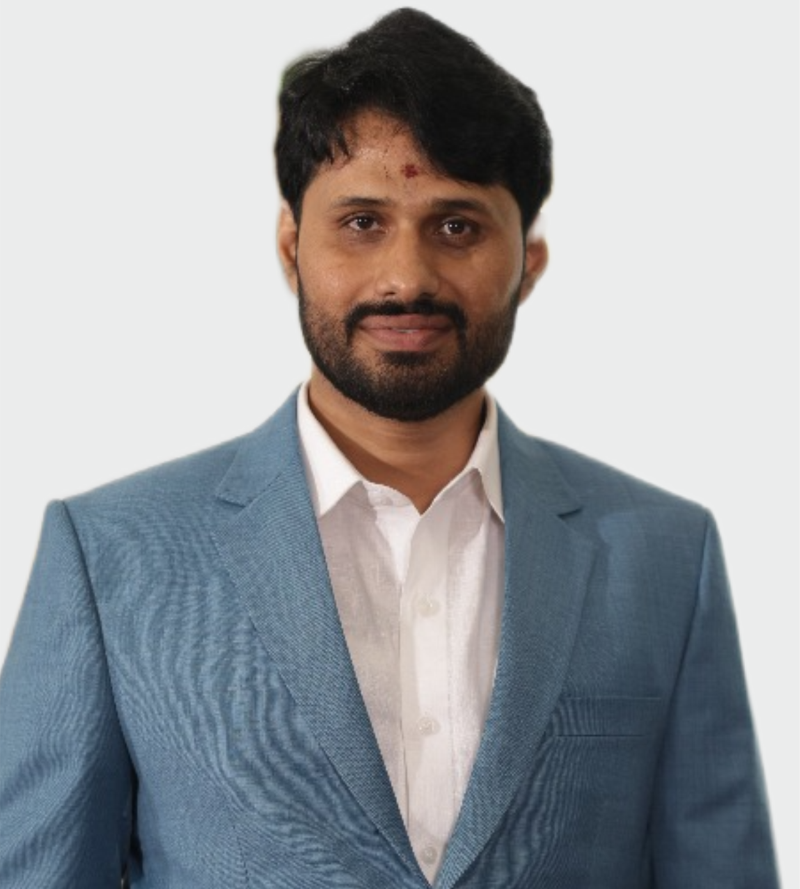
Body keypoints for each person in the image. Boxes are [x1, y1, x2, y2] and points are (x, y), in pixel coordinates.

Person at [0, 7, 779, 887]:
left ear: (528, 263)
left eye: (457, 226)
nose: (406, 276)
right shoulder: (111, 556)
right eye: (363, 222)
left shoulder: (665, 557)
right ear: (292, 248)